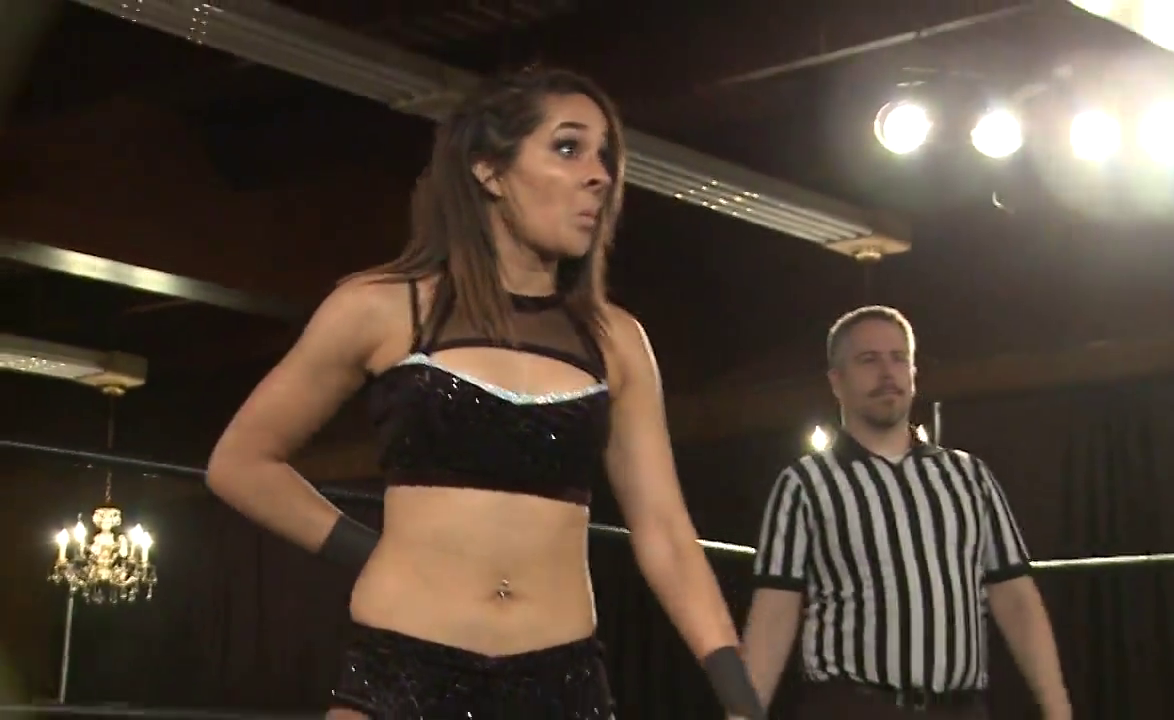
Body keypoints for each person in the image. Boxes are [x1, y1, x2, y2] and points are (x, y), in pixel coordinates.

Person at [206, 67, 765, 720]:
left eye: (605, 156)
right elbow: (241, 463)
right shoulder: (383, 308)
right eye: (568, 147)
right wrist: (368, 550)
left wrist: (741, 696)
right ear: (489, 170)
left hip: (560, 684)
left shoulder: (616, 340)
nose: (599, 175)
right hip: (404, 672)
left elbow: (665, 532)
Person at [738, 306, 1071, 719]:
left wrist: (1058, 709)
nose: (887, 372)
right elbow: (774, 612)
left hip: (959, 710)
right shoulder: (805, 483)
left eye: (898, 358)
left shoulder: (968, 476)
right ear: (837, 381)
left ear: (913, 373)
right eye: (868, 360)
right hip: (854, 708)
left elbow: (1016, 597)